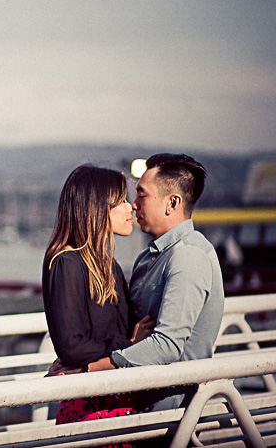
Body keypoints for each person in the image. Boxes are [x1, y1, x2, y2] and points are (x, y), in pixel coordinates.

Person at [86, 153, 224, 416]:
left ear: (172, 202)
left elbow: (168, 344)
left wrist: (93, 368)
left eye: (142, 194)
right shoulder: (148, 258)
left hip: (172, 413)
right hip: (138, 400)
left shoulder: (189, 256)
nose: (133, 204)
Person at [42, 164, 153, 426]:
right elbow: (71, 347)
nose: (131, 207)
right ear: (97, 208)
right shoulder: (65, 262)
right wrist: (130, 346)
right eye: (121, 202)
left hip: (120, 399)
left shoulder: (108, 265)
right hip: (89, 408)